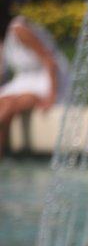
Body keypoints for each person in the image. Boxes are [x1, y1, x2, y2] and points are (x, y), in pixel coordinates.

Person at [0, 13, 70, 159]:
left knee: (7, 109)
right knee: (4, 104)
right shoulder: (6, 34)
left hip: (43, 81)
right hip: (23, 80)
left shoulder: (19, 29)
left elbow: (49, 60)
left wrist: (52, 96)